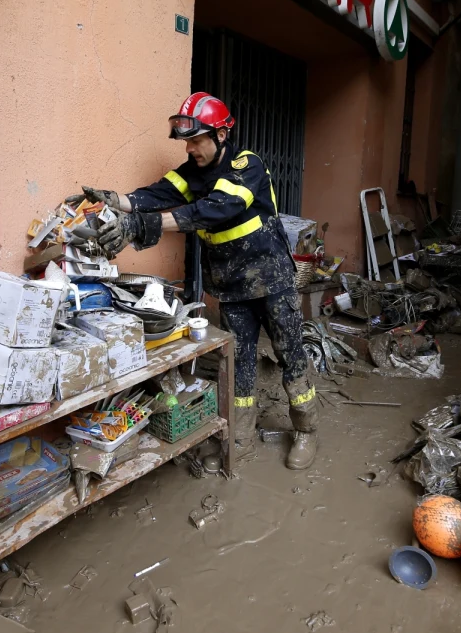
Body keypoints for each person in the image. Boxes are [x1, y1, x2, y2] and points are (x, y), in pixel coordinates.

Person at [76, 92, 319, 469]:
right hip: (233, 288)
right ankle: (242, 434)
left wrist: (144, 225)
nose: (190, 149)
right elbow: (157, 194)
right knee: (240, 361)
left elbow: (216, 209)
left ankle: (305, 430)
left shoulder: (246, 165)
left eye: (196, 140)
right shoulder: (192, 172)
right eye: (187, 142)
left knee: (291, 354)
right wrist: (114, 200)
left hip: (272, 282)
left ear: (221, 134)